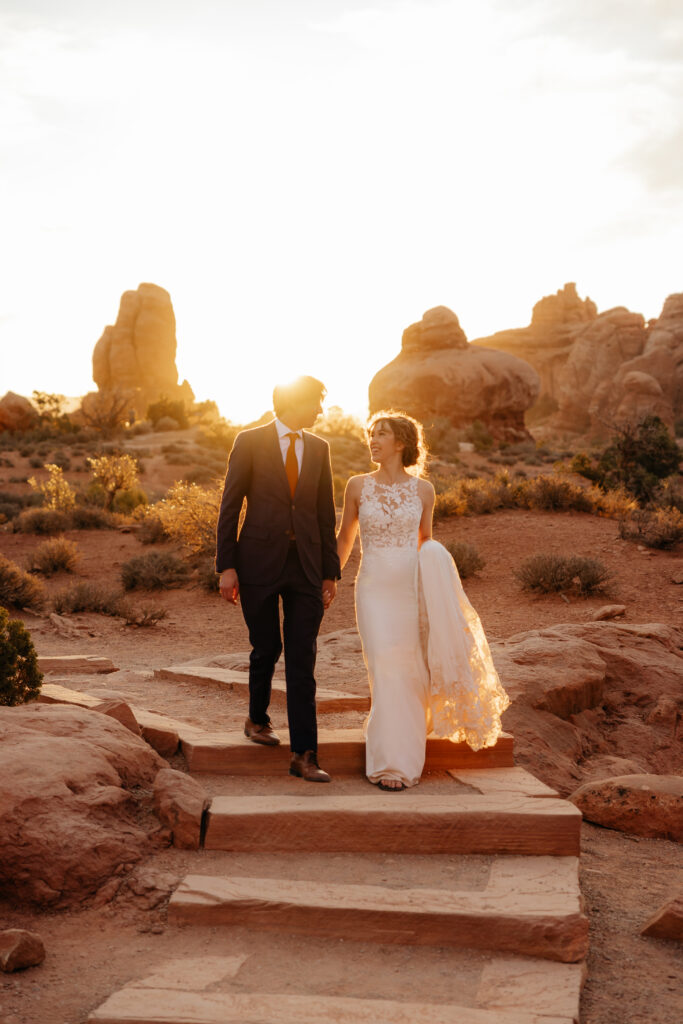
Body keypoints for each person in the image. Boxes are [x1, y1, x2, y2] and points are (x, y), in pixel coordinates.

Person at [336, 410, 509, 792]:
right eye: (371, 434)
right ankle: (388, 763)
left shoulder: (424, 490)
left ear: (401, 443)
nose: (373, 440)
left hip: (411, 589)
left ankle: (401, 758)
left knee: (410, 669)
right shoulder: (356, 486)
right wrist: (329, 577)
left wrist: (437, 570)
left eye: (381, 434)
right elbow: (345, 537)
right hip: (373, 589)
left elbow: (425, 540)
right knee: (384, 667)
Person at [216, 376, 341, 783]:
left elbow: (325, 513)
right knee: (266, 647)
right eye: (317, 403)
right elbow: (230, 506)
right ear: (296, 401)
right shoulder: (249, 441)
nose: (320, 412)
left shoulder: (320, 448)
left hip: (305, 567)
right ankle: (256, 719)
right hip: (257, 564)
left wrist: (330, 571)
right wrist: (226, 566)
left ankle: (305, 755)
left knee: (302, 658)